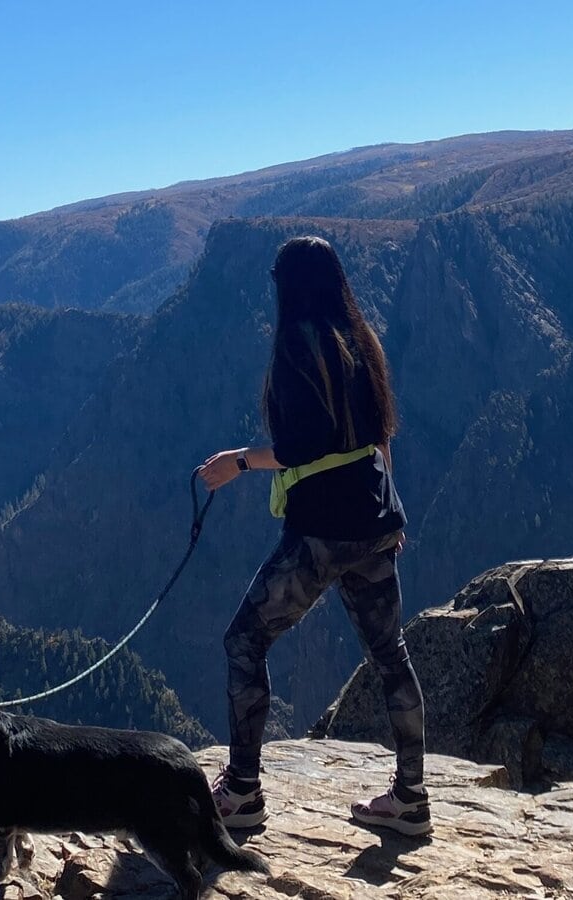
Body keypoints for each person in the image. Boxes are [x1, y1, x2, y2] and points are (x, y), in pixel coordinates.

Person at [198, 236, 430, 837]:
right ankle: (411, 797)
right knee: (390, 656)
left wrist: (237, 463)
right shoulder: (362, 343)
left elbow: (304, 446)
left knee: (244, 642)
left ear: (288, 286)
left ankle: (243, 791)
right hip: (375, 522)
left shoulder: (300, 348)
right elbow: (381, 436)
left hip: (320, 534)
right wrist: (391, 512)